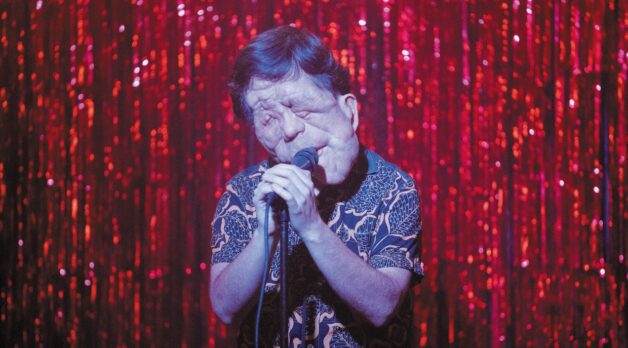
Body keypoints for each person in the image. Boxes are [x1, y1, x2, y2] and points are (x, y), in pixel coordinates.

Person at [210, 26, 423, 347]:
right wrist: (263, 234)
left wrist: (310, 226)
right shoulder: (245, 192)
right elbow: (225, 309)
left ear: (349, 111)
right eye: (268, 120)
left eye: (301, 108)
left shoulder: (394, 188)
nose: (291, 129)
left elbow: (383, 307)